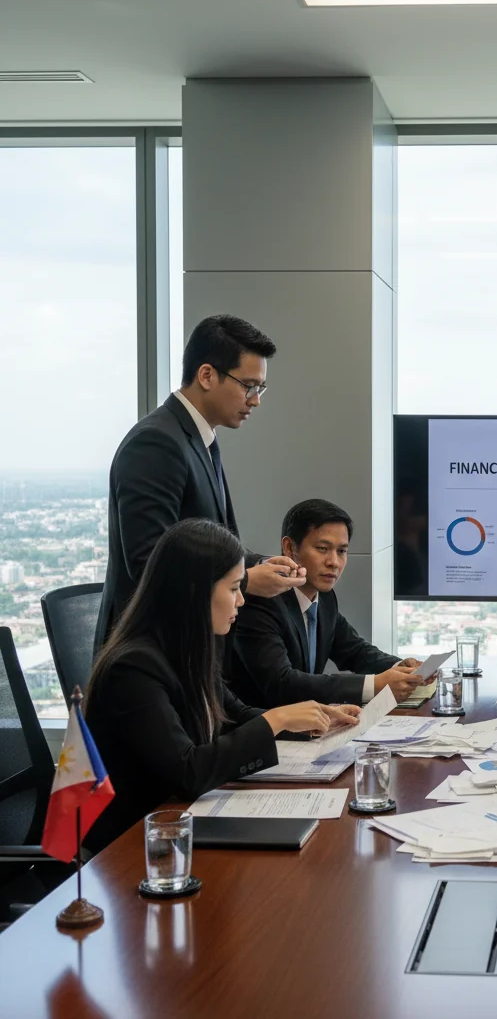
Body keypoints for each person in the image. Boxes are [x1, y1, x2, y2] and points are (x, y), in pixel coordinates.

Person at [83, 519, 358, 853]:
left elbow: (233, 714)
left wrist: (312, 720)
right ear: (194, 592)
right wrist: (277, 721)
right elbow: (187, 772)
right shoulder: (133, 668)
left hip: (180, 824)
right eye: (233, 589)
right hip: (134, 845)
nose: (241, 600)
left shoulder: (190, 645)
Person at [95, 314, 306, 650]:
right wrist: (247, 581)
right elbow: (148, 564)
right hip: (152, 655)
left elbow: (210, 544)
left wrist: (259, 563)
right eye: (248, 386)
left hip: (187, 650)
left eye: (260, 388)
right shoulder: (156, 443)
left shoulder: (199, 438)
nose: (255, 399)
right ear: (207, 375)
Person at [231, 498, 426, 707]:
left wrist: (401, 667)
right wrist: (374, 685)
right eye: (322, 548)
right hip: (263, 731)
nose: (334, 562)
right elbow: (282, 684)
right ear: (289, 548)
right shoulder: (262, 600)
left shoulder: (324, 596)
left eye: (341, 551)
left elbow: (354, 651)